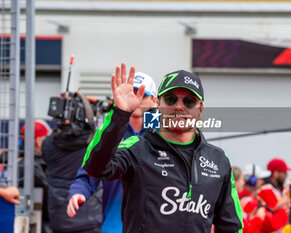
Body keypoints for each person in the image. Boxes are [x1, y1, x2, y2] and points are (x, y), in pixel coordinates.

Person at [82, 63, 243, 233]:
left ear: (200, 108)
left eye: (189, 101)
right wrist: (120, 114)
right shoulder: (136, 148)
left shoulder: (218, 160)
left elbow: (230, 225)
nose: (179, 106)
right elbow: (95, 167)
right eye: (171, 99)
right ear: (158, 105)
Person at [66, 72, 158, 233]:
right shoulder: (108, 133)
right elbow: (90, 171)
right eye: (131, 93)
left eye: (143, 95)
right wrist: (78, 192)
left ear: (154, 101)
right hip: (115, 225)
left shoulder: (166, 134)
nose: (135, 99)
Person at [42, 93, 103, 233]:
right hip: (90, 219)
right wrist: (92, 109)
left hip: (59, 218)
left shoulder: (48, 145)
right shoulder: (93, 143)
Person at [19, 120, 53, 233]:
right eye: (47, 140)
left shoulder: (15, 163)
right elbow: (50, 206)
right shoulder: (34, 167)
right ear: (38, 141)